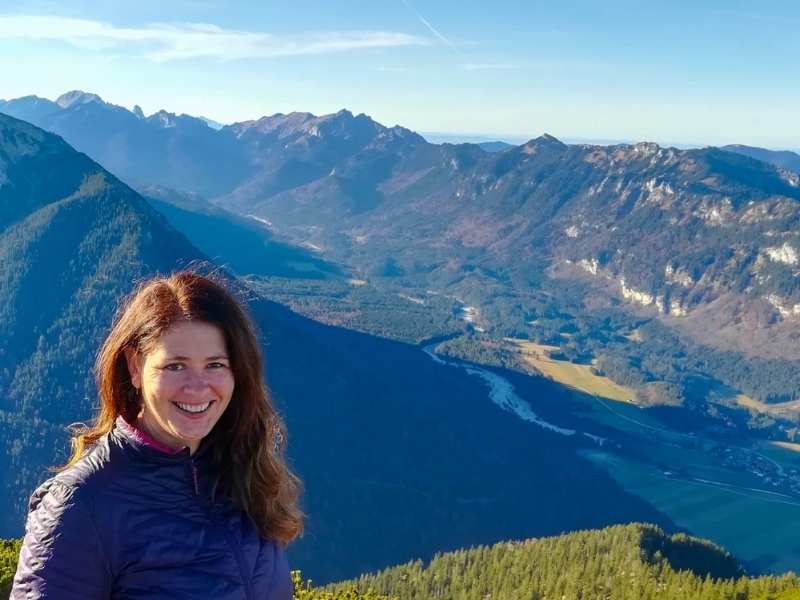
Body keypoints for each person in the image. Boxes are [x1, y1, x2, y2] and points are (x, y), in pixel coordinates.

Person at [11, 271, 303, 599]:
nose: (197, 387)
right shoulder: (82, 508)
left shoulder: (241, 472)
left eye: (215, 365)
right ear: (135, 367)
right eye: (175, 366)